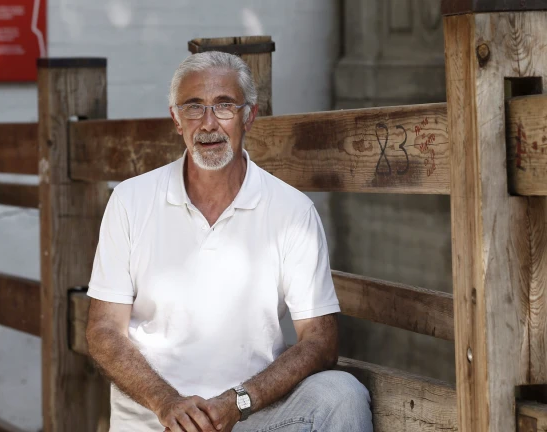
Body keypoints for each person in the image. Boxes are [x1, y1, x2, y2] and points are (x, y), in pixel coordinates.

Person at [85, 51, 373, 432]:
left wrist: (239, 402)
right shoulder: (130, 201)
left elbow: (320, 340)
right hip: (154, 421)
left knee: (343, 395)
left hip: (249, 415)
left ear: (248, 116)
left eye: (224, 106)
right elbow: (103, 329)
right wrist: (166, 402)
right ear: (176, 119)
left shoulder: (291, 211)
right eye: (193, 107)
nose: (208, 123)